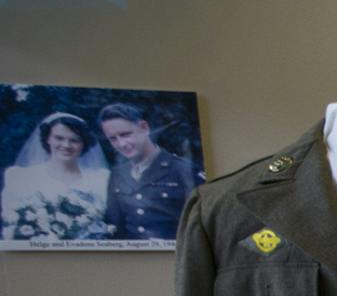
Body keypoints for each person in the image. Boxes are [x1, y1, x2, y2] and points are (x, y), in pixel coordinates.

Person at [98, 102, 195, 239]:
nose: (121, 144)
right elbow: (115, 226)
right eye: (113, 139)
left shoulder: (182, 169)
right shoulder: (117, 174)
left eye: (125, 134)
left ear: (144, 127)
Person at [2, 111, 110, 235]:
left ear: (83, 143)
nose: (66, 145)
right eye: (59, 138)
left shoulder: (101, 179)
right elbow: (10, 221)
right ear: (47, 138)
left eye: (75, 140)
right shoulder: (21, 177)